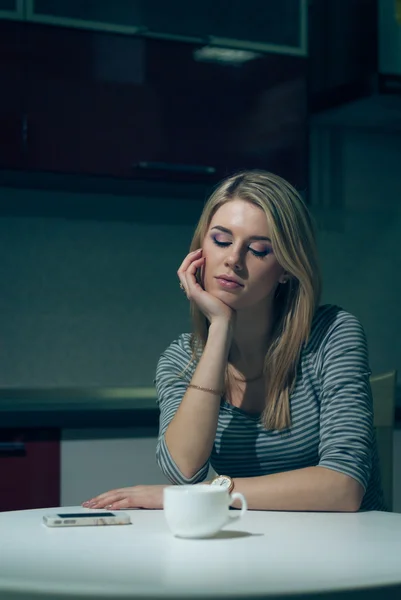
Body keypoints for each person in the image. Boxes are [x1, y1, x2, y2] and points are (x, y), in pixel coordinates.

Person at [82, 170, 385, 512]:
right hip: (248, 544)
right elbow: (182, 473)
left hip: (346, 551)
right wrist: (220, 329)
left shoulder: (333, 333)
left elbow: (343, 488)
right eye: (222, 241)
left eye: (258, 250)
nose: (233, 260)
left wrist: (209, 493)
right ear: (200, 250)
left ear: (286, 267)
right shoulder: (181, 358)